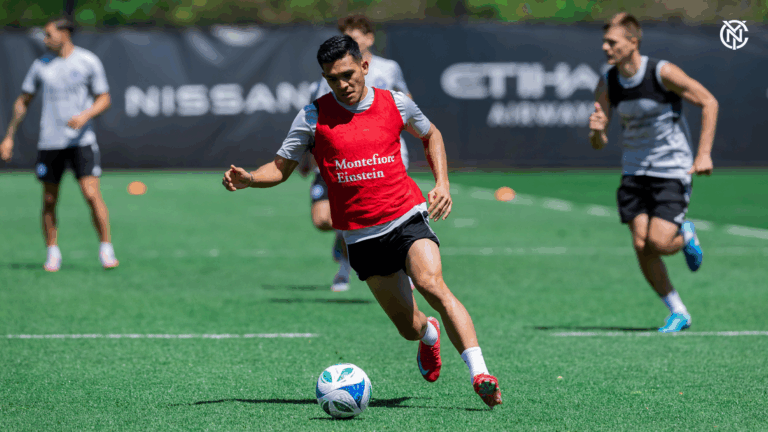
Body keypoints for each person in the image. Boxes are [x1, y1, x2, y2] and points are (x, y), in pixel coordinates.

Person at [222, 35, 502, 408]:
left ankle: (480, 373)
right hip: (362, 237)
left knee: (431, 284)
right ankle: (429, 335)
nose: (342, 84)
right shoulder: (312, 116)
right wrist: (251, 178)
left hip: (407, 215)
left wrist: (442, 183)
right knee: (408, 327)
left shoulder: (395, 103)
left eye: (348, 74)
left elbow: (431, 133)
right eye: (332, 78)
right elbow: (280, 167)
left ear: (365, 67)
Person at [589, 13, 718, 333]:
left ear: (633, 42)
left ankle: (685, 232)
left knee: (659, 243)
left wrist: (703, 154)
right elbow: (599, 141)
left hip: (671, 169)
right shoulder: (608, 82)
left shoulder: (661, 72)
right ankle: (678, 311)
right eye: (604, 42)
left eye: (612, 42)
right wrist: (595, 131)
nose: (605, 47)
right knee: (640, 245)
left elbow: (708, 102)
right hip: (634, 171)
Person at [299, 15, 414, 292]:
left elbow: (407, 102)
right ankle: (344, 242)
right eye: (346, 34)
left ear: (370, 38)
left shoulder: (388, 69)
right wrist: (305, 157)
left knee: (389, 215)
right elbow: (313, 120)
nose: (353, 39)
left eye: (357, 34)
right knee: (324, 220)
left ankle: (402, 269)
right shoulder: (328, 76)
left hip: (384, 154)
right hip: (340, 157)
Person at [0, 16, 118, 271]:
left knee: (91, 194)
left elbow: (104, 98)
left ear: (64, 34)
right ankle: (52, 252)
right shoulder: (41, 65)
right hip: (50, 144)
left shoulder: (87, 61)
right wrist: (9, 135)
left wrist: (85, 115)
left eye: (48, 34)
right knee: (50, 200)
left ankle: (106, 248)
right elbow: (23, 101)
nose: (45, 39)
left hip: (81, 142)